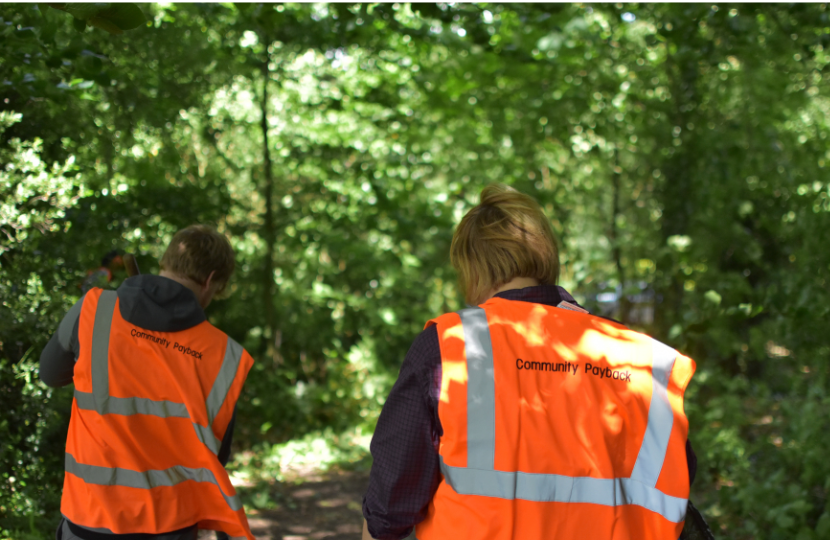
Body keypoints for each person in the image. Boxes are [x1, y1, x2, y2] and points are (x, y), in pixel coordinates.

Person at [362, 184, 697, 540]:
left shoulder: (451, 345)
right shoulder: (647, 361)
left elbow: (390, 506)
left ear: (472, 268)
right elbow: (675, 491)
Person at [40, 225, 255, 540]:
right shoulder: (224, 355)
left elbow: (50, 374)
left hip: (88, 519)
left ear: (166, 262)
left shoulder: (92, 309)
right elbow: (215, 457)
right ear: (210, 280)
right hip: (169, 526)